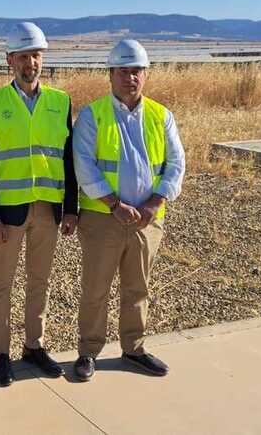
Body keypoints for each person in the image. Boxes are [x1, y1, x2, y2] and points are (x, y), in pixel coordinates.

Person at [71, 39, 185, 381]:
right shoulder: (92, 115)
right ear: (111, 75)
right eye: (123, 71)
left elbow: (176, 164)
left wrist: (156, 201)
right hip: (102, 219)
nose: (130, 78)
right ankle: (88, 352)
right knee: (96, 287)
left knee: (138, 287)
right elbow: (84, 165)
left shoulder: (161, 116)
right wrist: (113, 204)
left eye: (136, 71)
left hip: (147, 221)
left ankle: (134, 349)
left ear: (145, 75)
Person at [0, 22, 79, 386]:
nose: (30, 62)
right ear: (9, 61)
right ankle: (1, 354)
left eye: (36, 55)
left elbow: (68, 159)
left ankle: (34, 346)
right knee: (1, 283)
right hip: (9, 212)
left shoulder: (60, 102)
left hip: (48, 210)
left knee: (40, 281)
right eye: (23, 56)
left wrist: (71, 209)